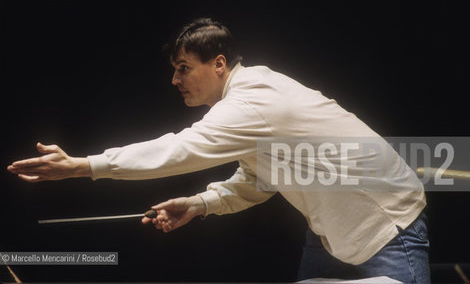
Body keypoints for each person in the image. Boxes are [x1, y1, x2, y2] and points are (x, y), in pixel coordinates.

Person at [7, 18, 430, 283]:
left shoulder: (251, 100)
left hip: (386, 228)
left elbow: (180, 149)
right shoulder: (248, 105)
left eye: (184, 68)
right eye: (174, 70)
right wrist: (200, 203)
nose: (175, 80)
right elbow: (259, 178)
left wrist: (84, 166)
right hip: (330, 235)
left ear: (220, 64)